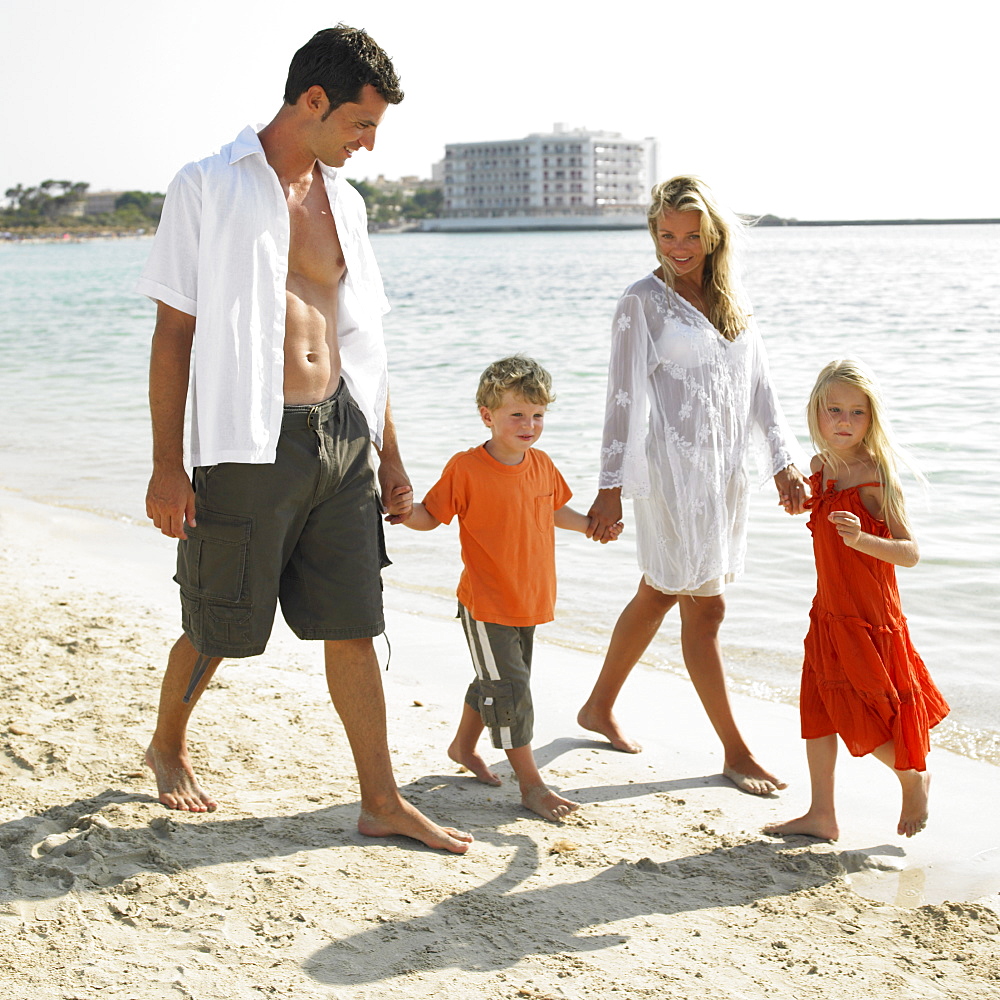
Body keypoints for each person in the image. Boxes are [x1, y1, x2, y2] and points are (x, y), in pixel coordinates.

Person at [136, 26, 471, 853]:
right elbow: (173, 332)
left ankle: (381, 799)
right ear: (312, 101)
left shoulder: (347, 205)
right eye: (360, 126)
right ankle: (167, 744)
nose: (366, 145)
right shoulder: (208, 185)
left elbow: (366, 344)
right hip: (249, 440)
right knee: (220, 621)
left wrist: (391, 461)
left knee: (355, 620)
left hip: (342, 436)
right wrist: (165, 464)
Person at [580, 175, 808, 795]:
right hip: (673, 476)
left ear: (712, 236)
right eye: (666, 234)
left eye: (690, 235)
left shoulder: (734, 300)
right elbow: (621, 398)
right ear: (654, 233)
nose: (677, 246)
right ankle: (735, 751)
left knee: (659, 589)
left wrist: (786, 461)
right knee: (705, 608)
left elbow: (761, 388)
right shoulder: (641, 302)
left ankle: (598, 706)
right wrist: (608, 486)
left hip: (724, 478)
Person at [395, 356, 622, 821]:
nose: (529, 424)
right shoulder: (466, 468)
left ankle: (462, 746)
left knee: (496, 682)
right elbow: (431, 516)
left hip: (531, 598)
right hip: (486, 602)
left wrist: (591, 528)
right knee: (512, 690)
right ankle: (532, 786)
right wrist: (402, 511)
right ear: (488, 415)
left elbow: (553, 511)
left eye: (537, 415)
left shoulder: (541, 465)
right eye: (517, 414)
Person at [764, 360, 948, 839]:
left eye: (857, 413)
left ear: (872, 418)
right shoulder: (822, 467)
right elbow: (822, 514)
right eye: (834, 411)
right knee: (819, 704)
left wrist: (862, 538)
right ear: (816, 413)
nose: (844, 422)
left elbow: (909, 553)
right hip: (828, 608)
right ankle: (821, 813)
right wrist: (803, 500)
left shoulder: (876, 475)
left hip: (867, 615)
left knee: (864, 707)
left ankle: (913, 776)